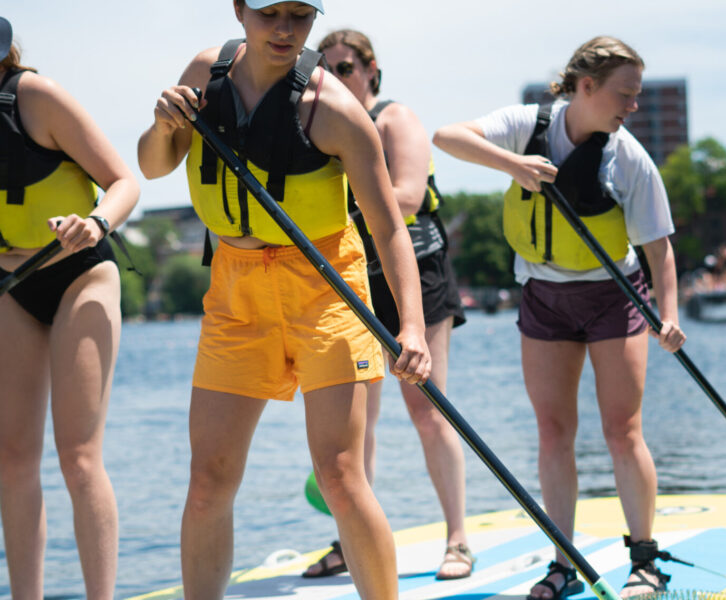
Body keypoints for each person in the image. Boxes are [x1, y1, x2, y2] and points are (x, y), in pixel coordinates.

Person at [136, 2, 430, 599]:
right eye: (270, 13)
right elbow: (152, 165)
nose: (284, 29)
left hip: (325, 287)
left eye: (300, 15)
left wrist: (416, 330)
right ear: (240, 10)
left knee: (343, 477)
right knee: (208, 481)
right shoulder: (205, 74)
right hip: (235, 289)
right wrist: (165, 125)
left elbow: (390, 228)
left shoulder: (338, 111)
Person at [433, 36, 687, 600]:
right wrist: (511, 164)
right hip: (544, 298)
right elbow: (445, 137)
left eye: (639, 95)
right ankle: (562, 563)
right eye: (626, 93)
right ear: (586, 86)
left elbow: (660, 249)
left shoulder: (629, 156)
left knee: (622, 431)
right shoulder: (528, 126)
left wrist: (666, 317)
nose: (633, 106)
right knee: (554, 433)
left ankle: (644, 560)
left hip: (612, 297)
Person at [302, 29, 472, 581]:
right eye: (326, 71)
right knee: (354, 424)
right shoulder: (321, 126)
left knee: (427, 411)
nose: (339, 79)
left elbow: (407, 197)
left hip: (415, 277)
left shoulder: (396, 119)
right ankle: (349, 541)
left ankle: (459, 540)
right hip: (352, 281)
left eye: (347, 68)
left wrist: (333, 204)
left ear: (372, 70)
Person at [0, 17, 140, 600]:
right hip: (11, 287)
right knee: (11, 459)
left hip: (80, 275)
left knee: (79, 457)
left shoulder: (38, 97)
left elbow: (124, 180)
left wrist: (96, 222)